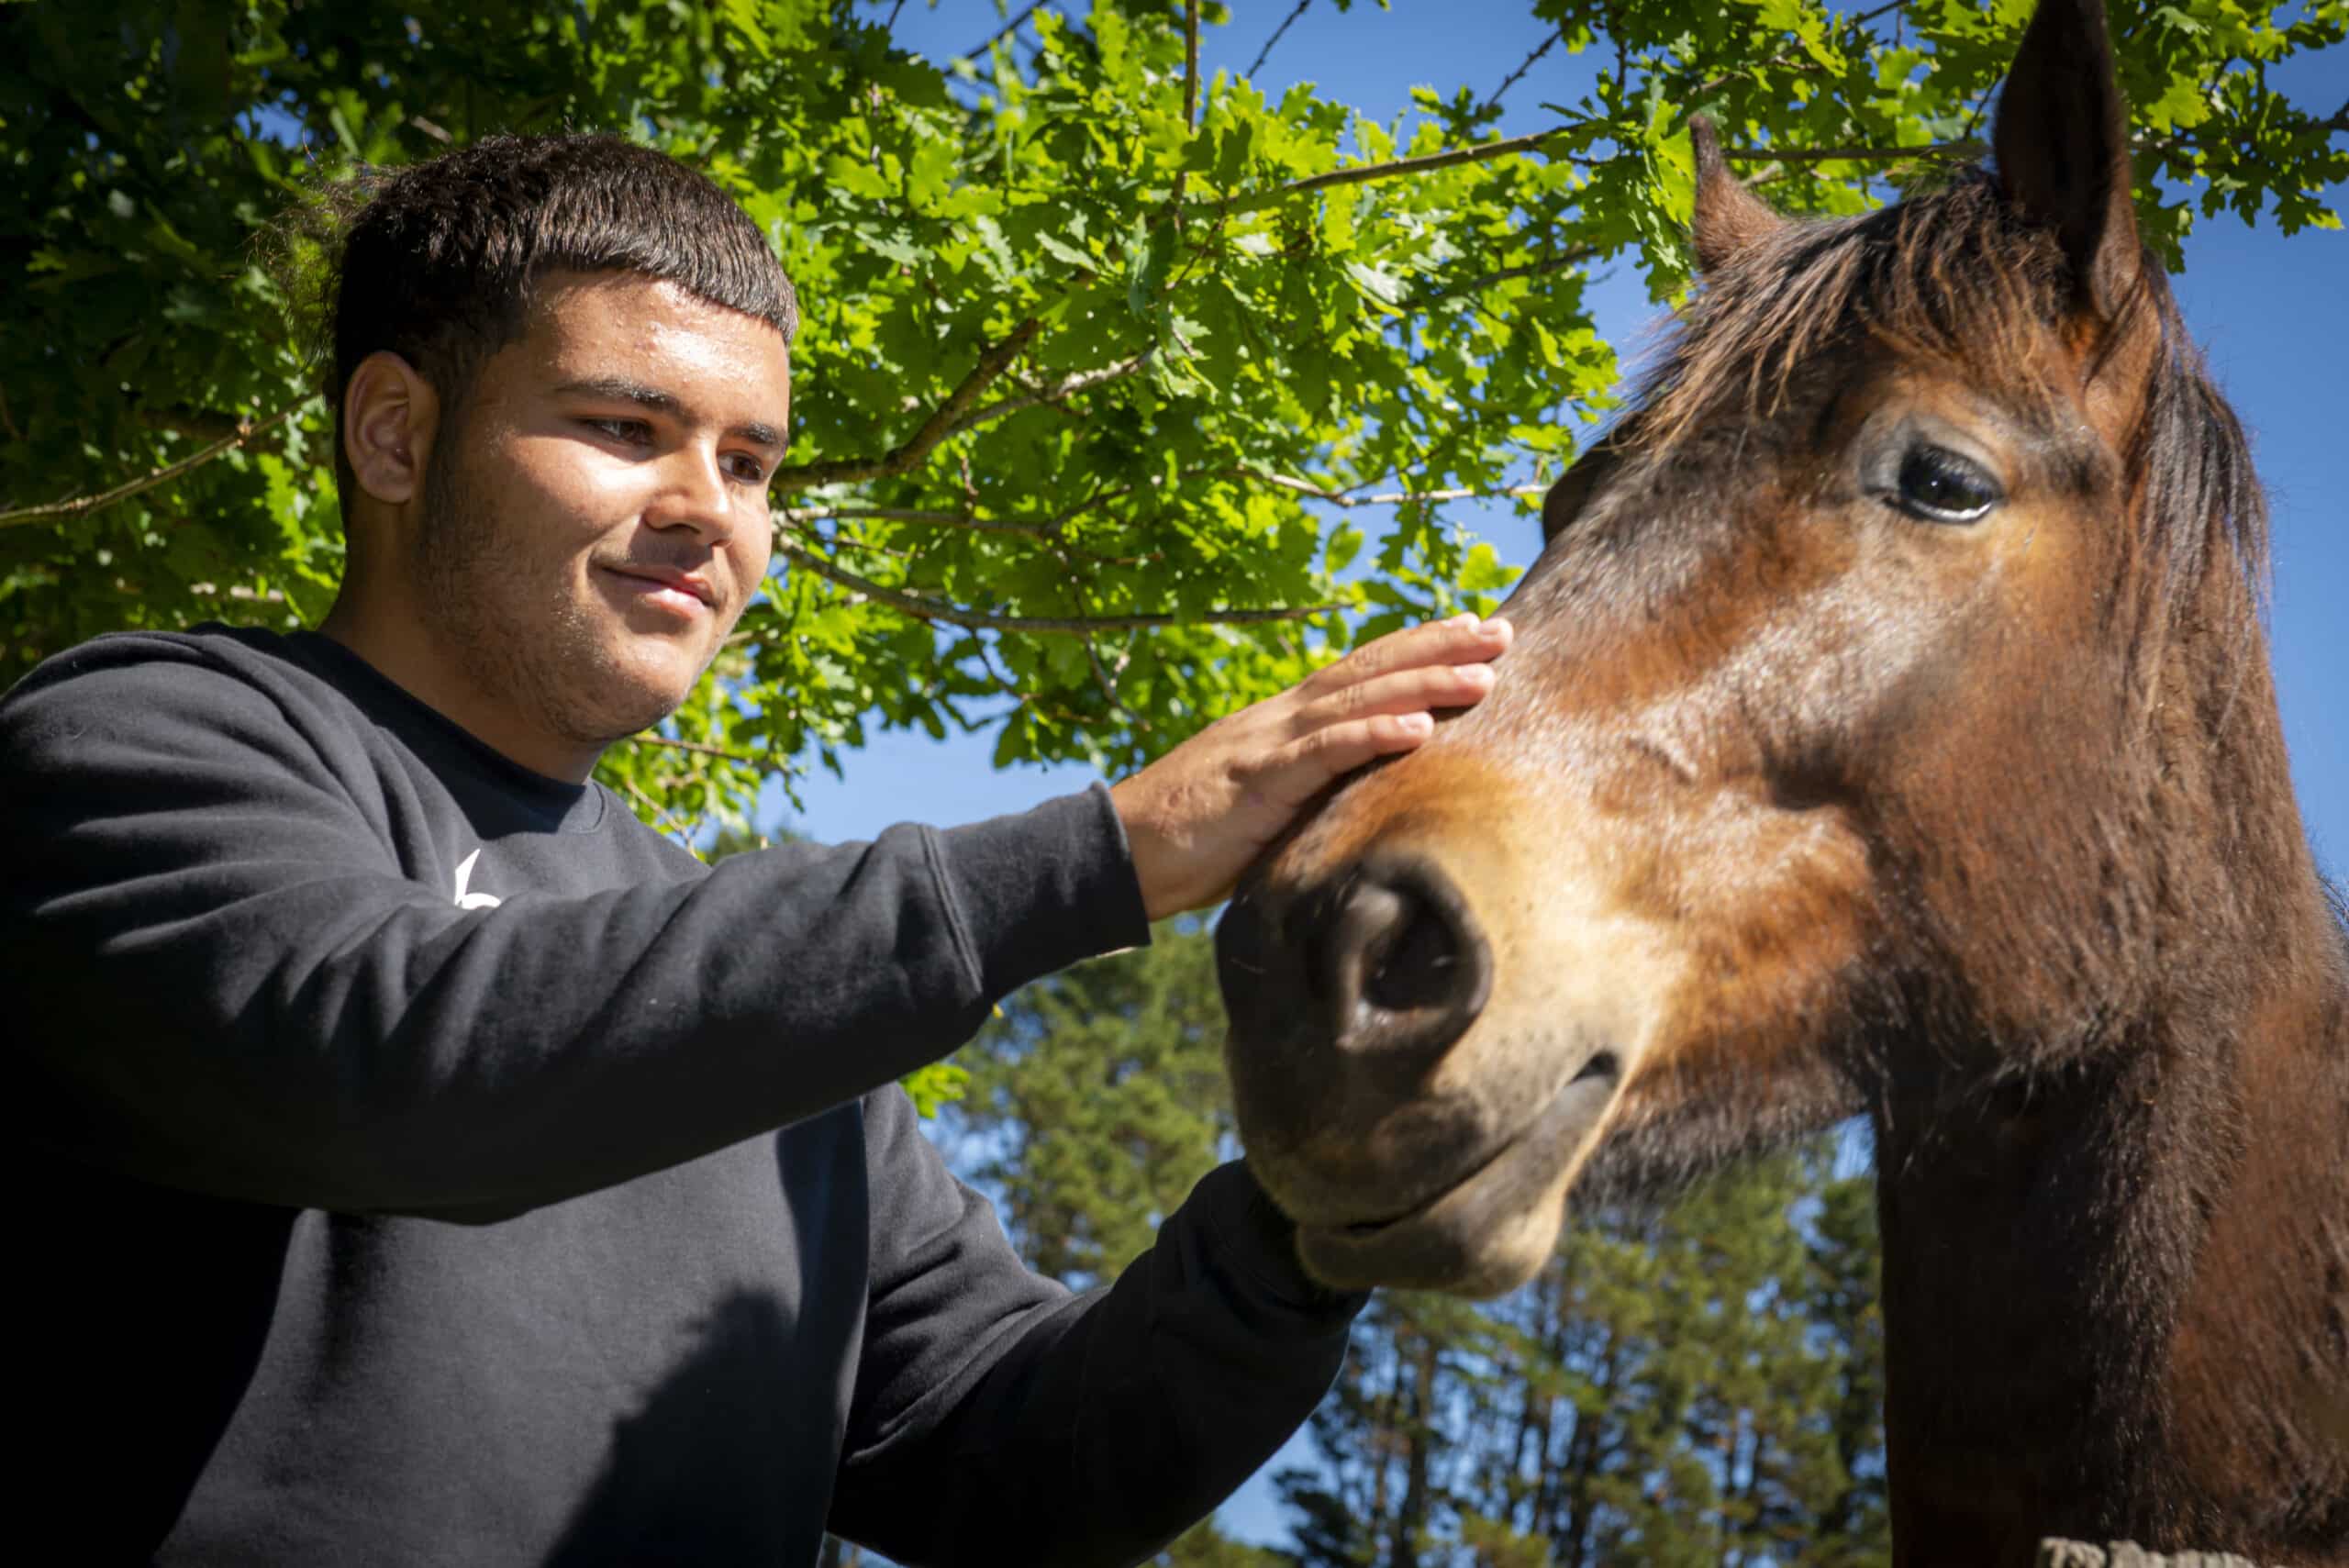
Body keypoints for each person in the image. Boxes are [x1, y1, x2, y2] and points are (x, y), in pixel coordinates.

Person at [1, 134, 1509, 1565]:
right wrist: (1103, 856)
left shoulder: (771, 1016)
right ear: (395, 432)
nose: (705, 514)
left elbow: (1022, 1466)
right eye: (625, 428)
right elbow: (387, 1059)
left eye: (752, 463)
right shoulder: (145, 742)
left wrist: (1319, 1201)